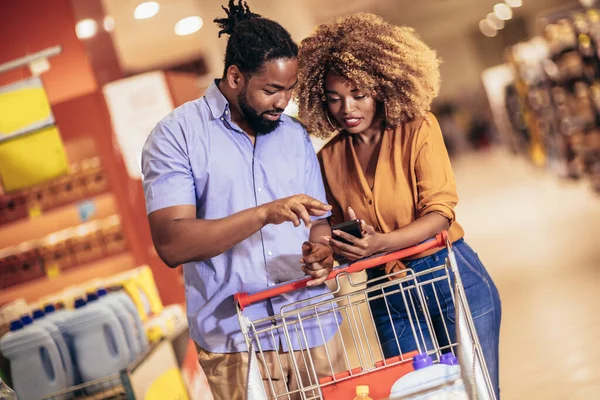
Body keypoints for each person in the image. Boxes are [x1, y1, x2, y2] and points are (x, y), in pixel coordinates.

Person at [141, 1, 341, 398]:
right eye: (271, 90)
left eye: (289, 90)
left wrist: (322, 251)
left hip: (312, 323)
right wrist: (264, 214)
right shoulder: (175, 137)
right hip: (236, 341)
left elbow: (318, 220)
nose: (283, 103)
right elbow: (172, 242)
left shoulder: (293, 135)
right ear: (235, 76)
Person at [296, 13, 502, 397]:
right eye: (334, 98)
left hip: (449, 277)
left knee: (477, 392)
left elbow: (439, 216)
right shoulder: (328, 158)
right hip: (387, 293)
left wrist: (379, 244)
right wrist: (320, 250)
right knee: (419, 394)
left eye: (359, 94)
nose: (347, 109)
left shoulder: (418, 128)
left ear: (382, 86)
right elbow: (326, 222)